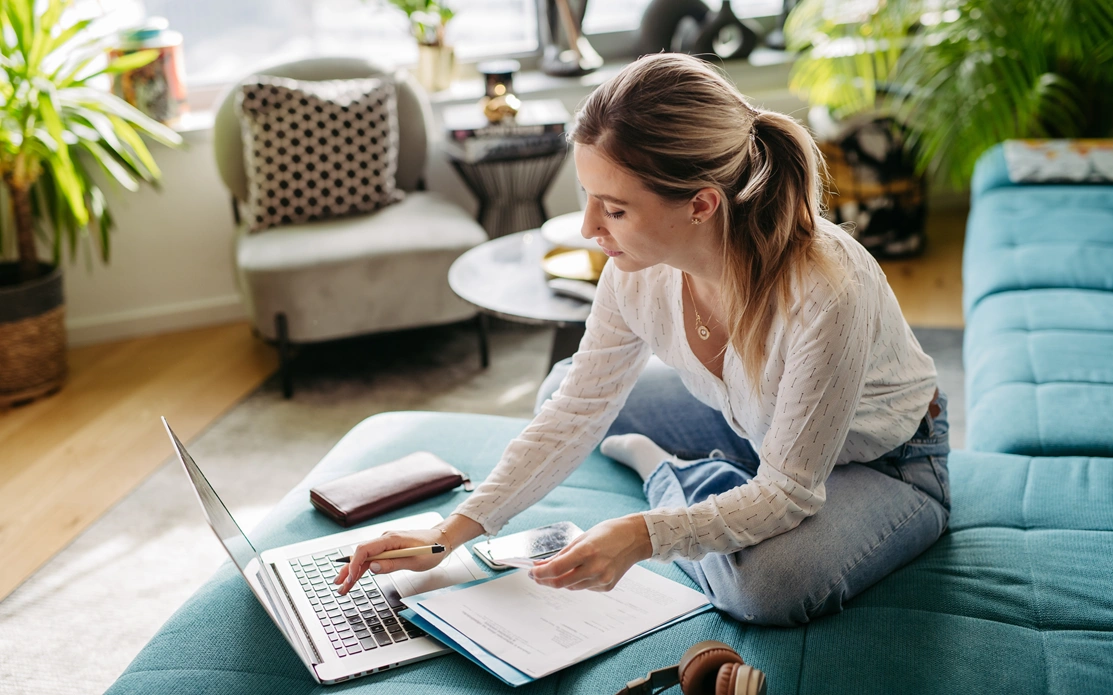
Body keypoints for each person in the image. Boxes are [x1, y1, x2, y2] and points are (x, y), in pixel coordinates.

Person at [334, 53, 950, 626]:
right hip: (752, 430)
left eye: (615, 209)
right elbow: (576, 412)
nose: (588, 227)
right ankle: (715, 484)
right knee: (562, 387)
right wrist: (449, 535)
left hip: (886, 464)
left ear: (702, 205)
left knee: (767, 587)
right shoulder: (637, 273)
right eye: (588, 198)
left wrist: (641, 534)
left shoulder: (825, 289)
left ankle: (668, 475)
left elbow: (789, 492)